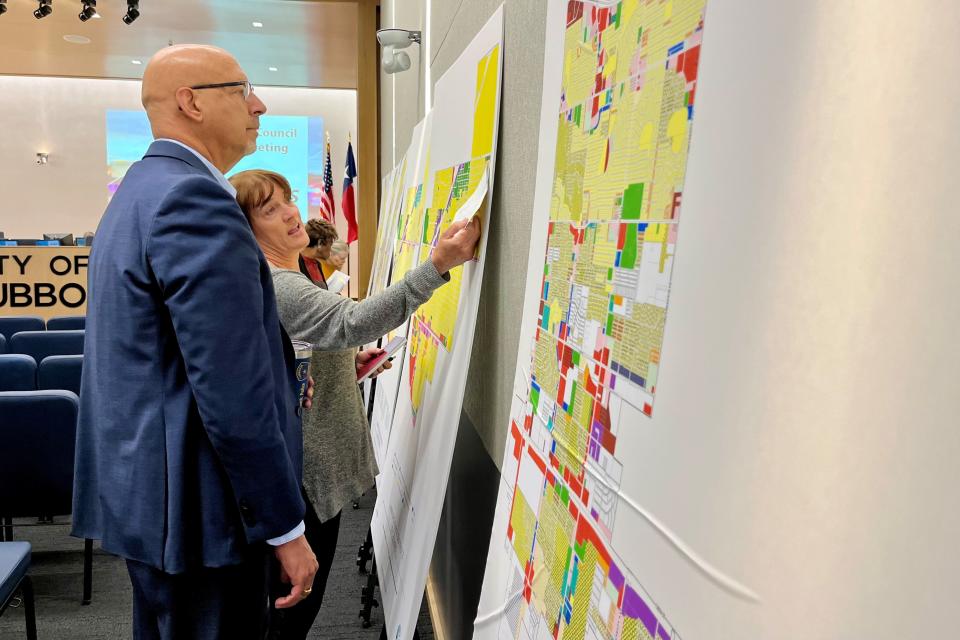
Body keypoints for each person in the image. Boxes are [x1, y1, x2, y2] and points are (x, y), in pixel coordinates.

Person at [71, 45, 319, 639]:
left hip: (157, 499)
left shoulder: (141, 187)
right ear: (192, 102)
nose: (258, 104)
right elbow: (230, 388)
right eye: (242, 90)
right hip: (202, 513)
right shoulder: (194, 199)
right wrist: (284, 528)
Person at [229, 168, 481, 640]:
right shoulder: (281, 284)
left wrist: (346, 364)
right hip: (306, 483)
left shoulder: (283, 275)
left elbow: (290, 360)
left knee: (292, 612)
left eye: (287, 199)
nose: (290, 212)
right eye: (269, 208)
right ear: (244, 228)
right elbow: (353, 320)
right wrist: (437, 266)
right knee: (289, 615)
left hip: (313, 475)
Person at [300, 219, 337, 289]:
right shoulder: (295, 265)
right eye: (330, 244)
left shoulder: (317, 264)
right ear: (320, 243)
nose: (331, 249)